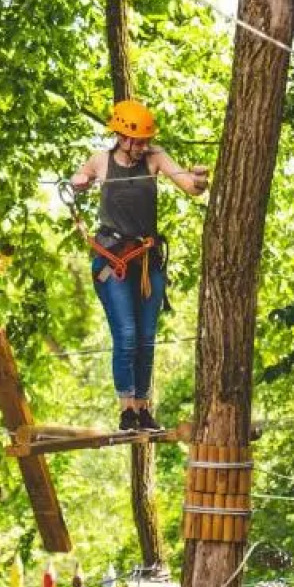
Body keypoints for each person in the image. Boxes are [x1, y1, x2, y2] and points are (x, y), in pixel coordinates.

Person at [68, 100, 208, 431]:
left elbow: (190, 187)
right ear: (121, 136)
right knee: (127, 335)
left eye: (146, 140)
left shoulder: (155, 157)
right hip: (113, 259)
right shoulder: (101, 160)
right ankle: (126, 409)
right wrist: (79, 181)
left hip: (146, 260)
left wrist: (199, 179)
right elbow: (81, 176)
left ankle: (143, 408)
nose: (143, 146)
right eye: (138, 141)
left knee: (146, 337)